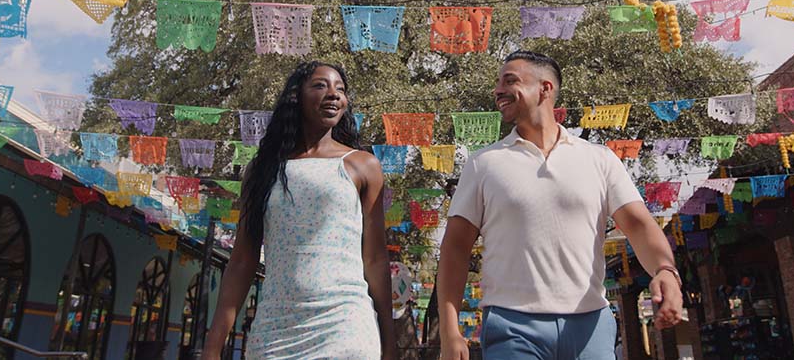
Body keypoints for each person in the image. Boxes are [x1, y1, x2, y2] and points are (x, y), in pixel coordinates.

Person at [437, 50, 684, 360]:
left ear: (545, 89)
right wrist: (450, 331)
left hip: (591, 325)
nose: (498, 90)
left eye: (510, 81)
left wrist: (665, 270)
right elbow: (455, 249)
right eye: (498, 82)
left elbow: (637, 225)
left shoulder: (599, 159)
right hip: (511, 326)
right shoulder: (483, 164)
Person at [201, 61, 397, 360]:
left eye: (340, 89)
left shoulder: (362, 165)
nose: (334, 94)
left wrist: (389, 340)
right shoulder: (262, 170)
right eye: (321, 85)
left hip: (345, 324)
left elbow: (375, 258)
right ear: (297, 97)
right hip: (275, 329)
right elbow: (242, 260)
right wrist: (213, 346)